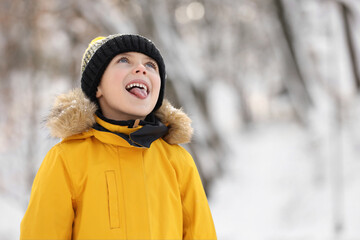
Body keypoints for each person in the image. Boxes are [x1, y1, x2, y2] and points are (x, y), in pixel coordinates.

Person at [20, 34, 217, 240]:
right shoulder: (66, 160)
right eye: (124, 60)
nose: (141, 69)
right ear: (97, 86)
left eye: (151, 65)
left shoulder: (177, 161)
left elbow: (201, 234)